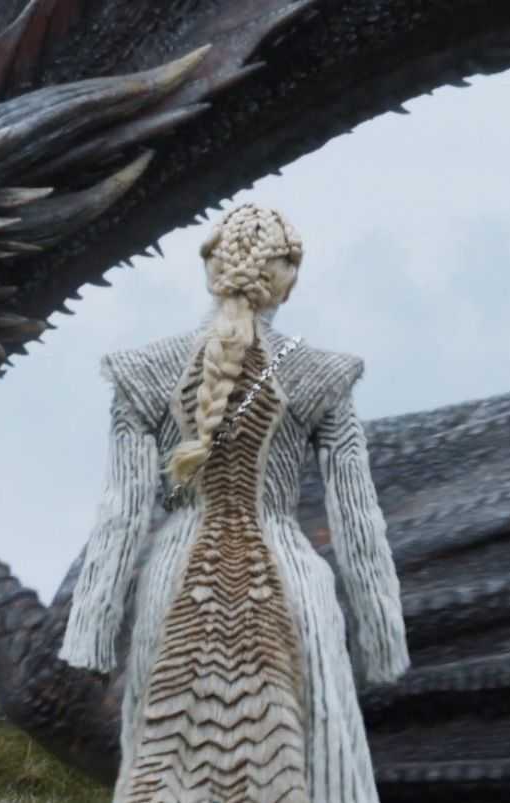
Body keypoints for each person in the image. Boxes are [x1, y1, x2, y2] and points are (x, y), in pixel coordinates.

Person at [59, 204, 409, 803]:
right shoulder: (323, 374)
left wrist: (90, 637)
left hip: (176, 582)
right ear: (286, 280)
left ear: (212, 272)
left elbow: (121, 515)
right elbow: (358, 519)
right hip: (292, 588)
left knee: (164, 766)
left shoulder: (142, 373)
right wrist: (383, 641)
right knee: (319, 769)